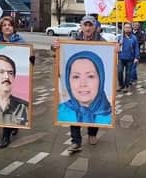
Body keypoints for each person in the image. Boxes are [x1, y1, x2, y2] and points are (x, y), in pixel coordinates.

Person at [52, 15, 115, 153]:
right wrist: (55, 48)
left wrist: (116, 52)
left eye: (90, 25)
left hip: (97, 97)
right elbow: (62, 55)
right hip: (74, 101)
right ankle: (76, 141)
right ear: (81, 26)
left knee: (96, 104)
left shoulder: (103, 41)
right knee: (75, 109)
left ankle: (92, 133)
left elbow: (110, 57)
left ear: (95, 27)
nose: (87, 28)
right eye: (85, 25)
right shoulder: (74, 40)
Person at [0, 15, 32, 148]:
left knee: (11, 104)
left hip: (14, 79)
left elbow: (28, 59)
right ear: (1, 28)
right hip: (0, 79)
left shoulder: (21, 41)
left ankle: (9, 132)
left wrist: (31, 59)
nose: (7, 27)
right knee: (3, 104)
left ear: (13, 28)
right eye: (4, 25)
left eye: (10, 25)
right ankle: (7, 132)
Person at [118, 22, 140, 92]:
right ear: (123, 29)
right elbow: (115, 47)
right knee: (119, 71)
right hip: (121, 57)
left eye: (128, 27)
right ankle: (121, 85)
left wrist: (136, 57)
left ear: (131, 29)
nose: (127, 29)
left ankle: (126, 86)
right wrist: (118, 44)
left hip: (130, 58)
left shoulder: (134, 38)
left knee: (128, 73)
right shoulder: (120, 37)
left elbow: (136, 48)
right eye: (126, 27)